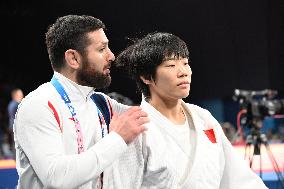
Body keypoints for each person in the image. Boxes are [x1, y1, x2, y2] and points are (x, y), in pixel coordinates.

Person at [104, 32, 268, 188]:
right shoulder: (135, 129)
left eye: (185, 63)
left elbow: (238, 179)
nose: (183, 72)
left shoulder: (203, 118)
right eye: (171, 65)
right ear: (146, 77)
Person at [13, 15, 149, 189]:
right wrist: (117, 139)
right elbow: (56, 178)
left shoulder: (101, 103)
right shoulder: (39, 105)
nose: (112, 56)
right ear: (74, 59)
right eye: (102, 49)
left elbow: (151, 117)